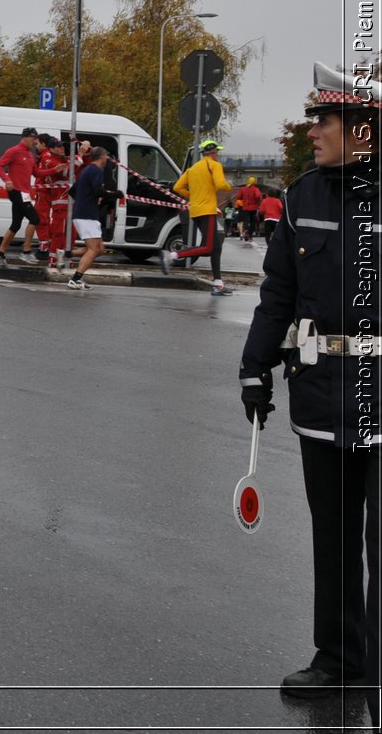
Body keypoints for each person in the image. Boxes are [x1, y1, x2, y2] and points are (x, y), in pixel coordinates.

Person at [238, 61, 380, 723]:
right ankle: (339, 658)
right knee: (335, 531)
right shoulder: (300, 197)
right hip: (322, 392)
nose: (312, 131)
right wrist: (254, 367)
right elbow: (277, 294)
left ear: (363, 131)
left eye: (322, 121)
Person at [160, 139, 232, 294]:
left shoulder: (193, 169)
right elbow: (220, 185)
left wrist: (192, 195)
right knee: (208, 247)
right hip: (208, 210)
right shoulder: (214, 165)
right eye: (217, 152)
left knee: (216, 247)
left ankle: (218, 284)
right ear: (212, 152)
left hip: (196, 210)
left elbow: (177, 187)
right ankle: (172, 256)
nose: (218, 155)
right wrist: (229, 186)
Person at [65, 146, 118, 290]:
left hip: (87, 213)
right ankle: (75, 279)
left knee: (100, 249)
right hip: (86, 215)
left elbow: (72, 191)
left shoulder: (86, 170)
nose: (107, 158)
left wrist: (84, 200)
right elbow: (97, 190)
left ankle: (66, 253)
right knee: (93, 249)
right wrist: (115, 195)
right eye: (106, 156)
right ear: (101, 157)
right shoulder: (97, 170)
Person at [0, 127, 41, 264]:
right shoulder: (13, 151)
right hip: (16, 192)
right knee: (35, 218)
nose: (36, 142)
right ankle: (26, 252)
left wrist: (54, 170)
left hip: (24, 193)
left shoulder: (30, 155)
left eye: (36, 139)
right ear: (25, 137)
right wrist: (7, 180)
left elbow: (37, 173)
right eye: (34, 138)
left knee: (16, 225)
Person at [32, 135, 73, 270]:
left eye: (37, 144)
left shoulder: (49, 156)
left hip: (53, 193)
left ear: (44, 144)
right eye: (59, 146)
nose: (36, 146)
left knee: (60, 229)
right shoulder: (47, 157)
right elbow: (57, 170)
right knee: (40, 218)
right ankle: (44, 246)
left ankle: (48, 247)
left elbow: (67, 168)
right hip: (49, 193)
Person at [235, 177, 263, 242]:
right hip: (253, 208)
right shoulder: (256, 189)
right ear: (254, 182)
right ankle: (250, 235)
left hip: (245, 208)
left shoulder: (243, 189)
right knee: (253, 221)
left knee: (246, 220)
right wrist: (257, 201)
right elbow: (258, 196)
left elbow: (238, 197)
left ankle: (246, 230)